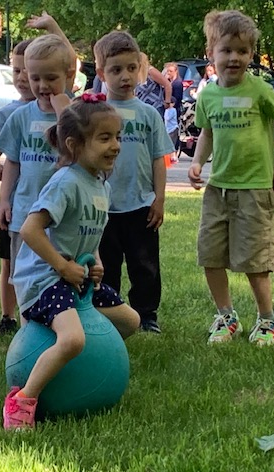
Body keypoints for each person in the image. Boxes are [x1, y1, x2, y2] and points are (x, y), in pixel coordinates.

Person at [3, 95, 140, 430]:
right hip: (45, 280)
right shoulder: (65, 182)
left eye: (118, 137)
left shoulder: (99, 185)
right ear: (74, 144)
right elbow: (32, 229)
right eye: (105, 138)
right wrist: (62, 266)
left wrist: (94, 264)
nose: (116, 146)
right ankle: (23, 400)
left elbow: (87, 237)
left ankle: (86, 367)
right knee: (73, 340)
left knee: (131, 321)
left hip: (76, 279)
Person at [187, 10, 274, 345]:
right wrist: (197, 163)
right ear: (211, 54)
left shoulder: (260, 91)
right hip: (218, 188)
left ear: (251, 55)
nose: (234, 58)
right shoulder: (207, 95)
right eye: (226, 50)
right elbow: (206, 132)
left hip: (254, 188)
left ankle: (267, 319)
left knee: (253, 261)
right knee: (211, 255)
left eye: (242, 51)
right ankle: (226, 315)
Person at [94, 31, 175, 334]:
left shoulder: (149, 114)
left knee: (145, 266)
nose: (125, 76)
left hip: (141, 203)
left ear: (140, 68)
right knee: (108, 266)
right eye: (115, 70)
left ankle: (146, 314)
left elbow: (158, 158)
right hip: (104, 206)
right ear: (102, 73)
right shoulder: (96, 112)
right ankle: (110, 312)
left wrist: (159, 198)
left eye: (131, 68)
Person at [0, 34, 73, 328]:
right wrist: (5, 201)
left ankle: (63, 320)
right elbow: (12, 161)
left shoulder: (76, 114)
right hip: (24, 211)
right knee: (22, 272)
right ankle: (28, 325)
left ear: (68, 75)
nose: (42, 86)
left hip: (63, 213)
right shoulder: (19, 117)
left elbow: (78, 151)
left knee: (59, 269)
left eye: (51, 78)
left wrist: (64, 111)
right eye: (35, 77)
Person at [0, 38, 35, 335]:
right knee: (10, 263)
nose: (21, 78)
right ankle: (8, 317)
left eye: (27, 71)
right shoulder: (7, 114)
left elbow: (68, 59)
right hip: (16, 204)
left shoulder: (61, 107)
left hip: (46, 206)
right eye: (16, 71)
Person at [135, 52, 172, 118]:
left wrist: (167, 102)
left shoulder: (151, 71)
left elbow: (167, 84)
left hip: (156, 107)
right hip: (142, 109)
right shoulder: (137, 74)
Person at [164, 96, 179, 163]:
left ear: (173, 104)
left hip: (173, 128)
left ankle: (174, 157)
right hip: (168, 129)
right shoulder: (167, 110)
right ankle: (171, 157)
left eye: (170, 103)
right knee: (168, 143)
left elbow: (167, 118)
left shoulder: (173, 110)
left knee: (172, 143)